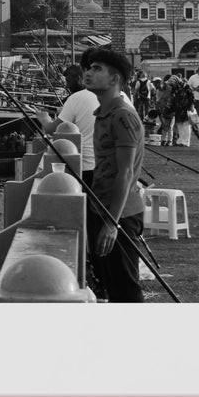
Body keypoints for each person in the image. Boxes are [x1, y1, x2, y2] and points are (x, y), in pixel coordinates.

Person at [83, 47, 147, 303]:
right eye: (89, 67)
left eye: (97, 68)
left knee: (125, 290)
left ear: (115, 79)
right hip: (103, 210)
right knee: (110, 285)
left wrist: (112, 224)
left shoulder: (122, 116)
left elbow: (126, 172)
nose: (88, 72)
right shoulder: (103, 113)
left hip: (120, 215)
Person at [55, 64, 99, 189]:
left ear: (80, 78)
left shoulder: (75, 98)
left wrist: (43, 118)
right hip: (104, 164)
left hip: (86, 164)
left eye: (69, 81)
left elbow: (52, 128)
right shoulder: (106, 95)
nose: (67, 85)